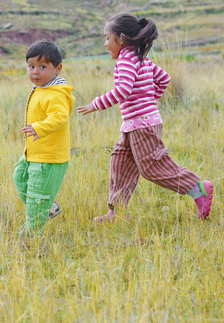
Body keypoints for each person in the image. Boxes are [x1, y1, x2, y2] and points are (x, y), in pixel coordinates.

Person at [77, 13, 213, 222]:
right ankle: (118, 212)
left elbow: (122, 89)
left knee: (152, 168)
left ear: (121, 38)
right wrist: (150, 101)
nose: (105, 44)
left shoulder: (126, 59)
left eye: (107, 38)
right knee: (120, 161)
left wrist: (95, 104)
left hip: (142, 125)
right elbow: (164, 78)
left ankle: (197, 188)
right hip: (135, 125)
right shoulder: (139, 57)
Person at [13, 40, 75, 237]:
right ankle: (50, 207)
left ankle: (30, 236)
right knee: (20, 177)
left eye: (42, 67)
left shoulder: (56, 93)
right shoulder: (41, 89)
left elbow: (59, 117)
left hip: (49, 157)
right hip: (34, 153)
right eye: (31, 66)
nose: (35, 72)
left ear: (57, 69)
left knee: (37, 197)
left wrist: (39, 128)